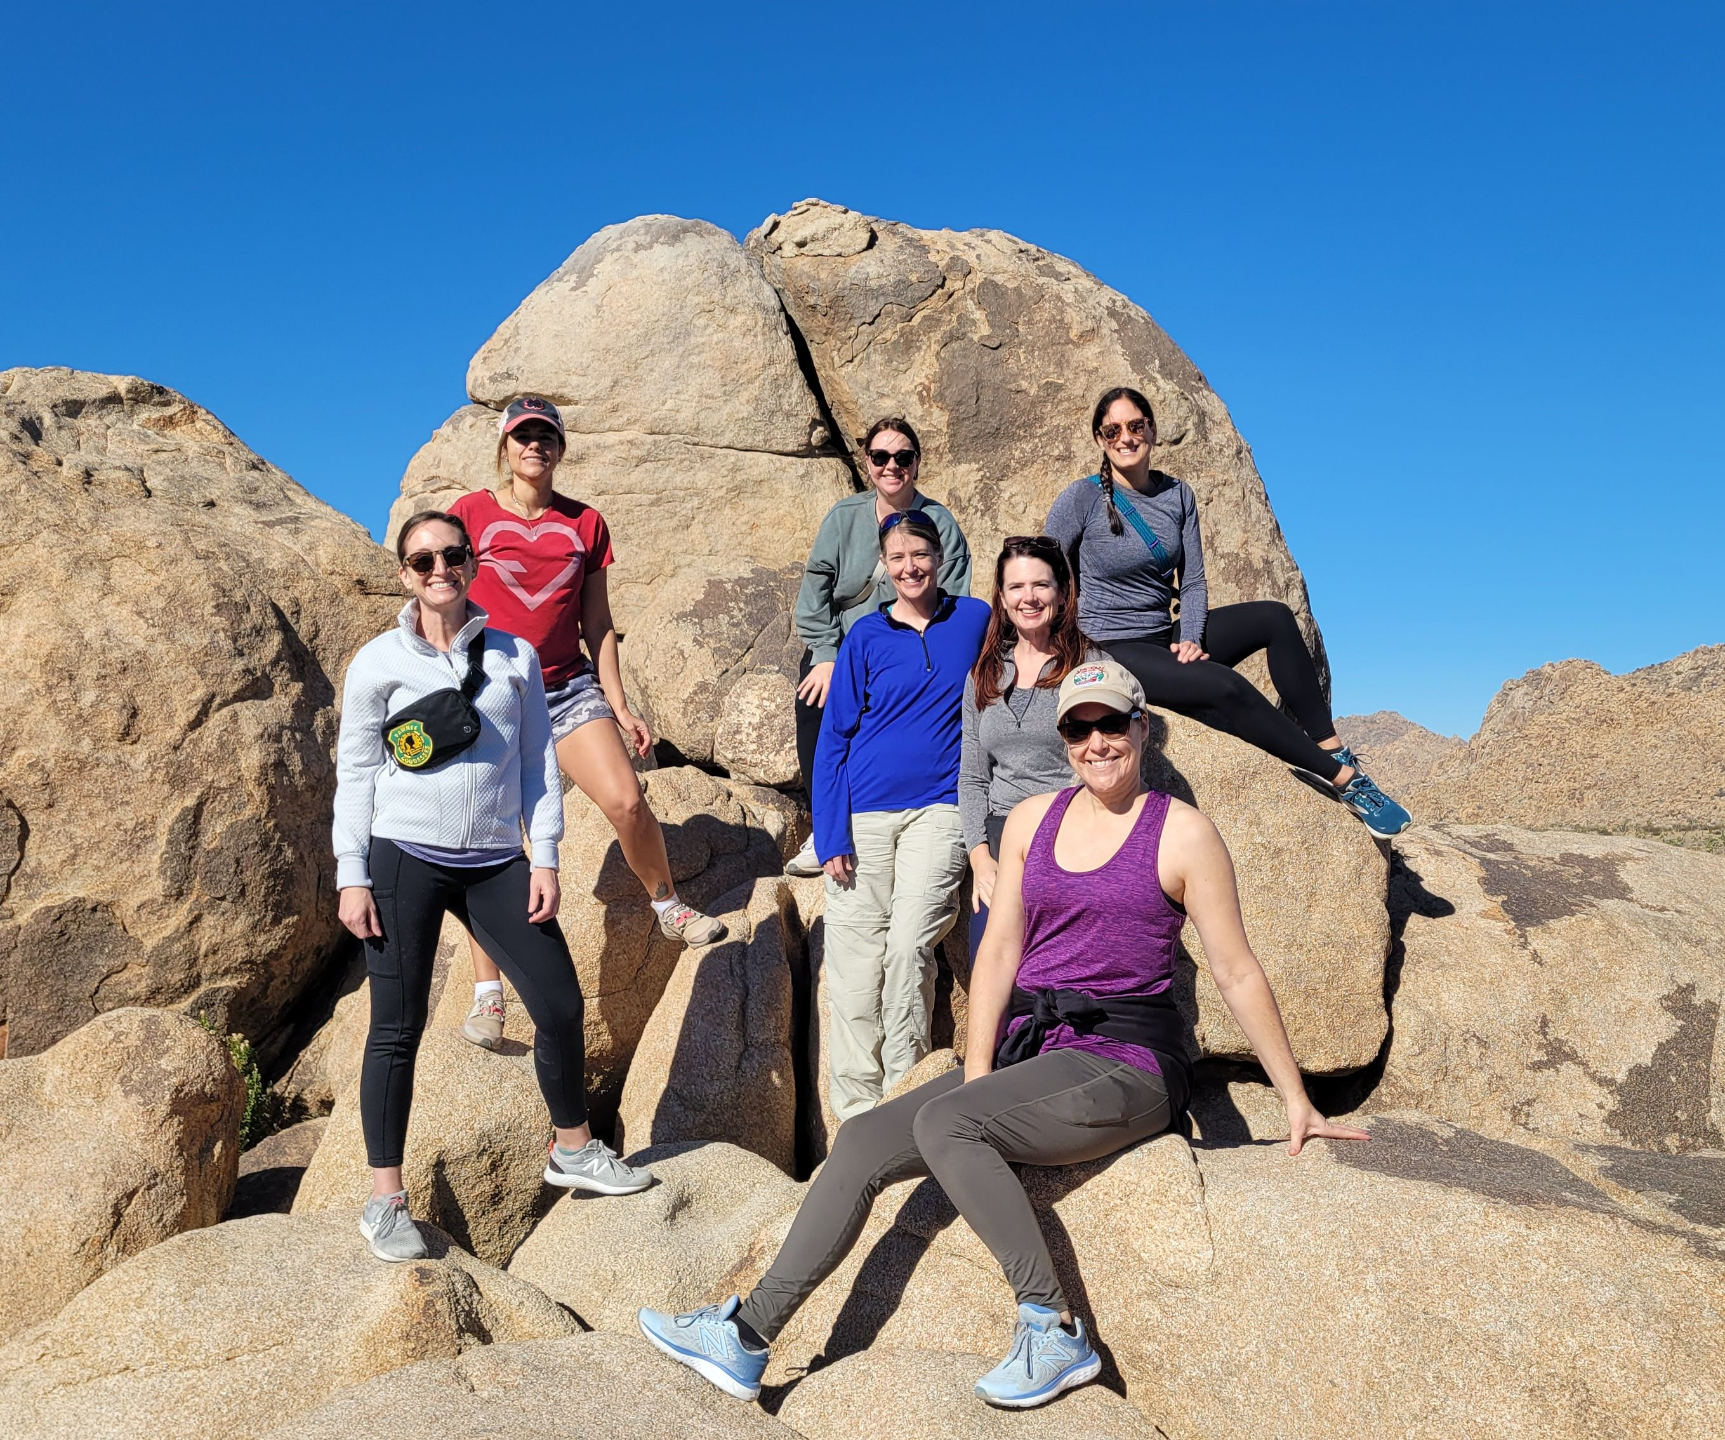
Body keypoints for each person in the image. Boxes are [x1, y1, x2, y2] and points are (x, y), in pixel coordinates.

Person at [637, 658, 1369, 1409]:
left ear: (1141, 728)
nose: (1096, 742)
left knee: (949, 1124)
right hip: (1035, 1048)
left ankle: (1052, 1328)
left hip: (1130, 1061)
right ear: (1063, 739)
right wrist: (979, 1066)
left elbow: (1235, 970)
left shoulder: (1182, 833)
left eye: (1111, 724)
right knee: (862, 1140)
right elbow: (998, 951)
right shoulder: (1032, 820)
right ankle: (747, 1336)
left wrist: (1295, 1098)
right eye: (1078, 729)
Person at [332, 509, 652, 1263]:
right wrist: (352, 874)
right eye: (423, 561)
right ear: (404, 575)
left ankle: (572, 1148)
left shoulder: (513, 655)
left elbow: (538, 759)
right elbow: (356, 772)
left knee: (560, 1002)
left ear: (472, 563)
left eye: (452, 555)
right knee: (397, 1027)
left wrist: (545, 856)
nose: (439, 570)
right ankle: (385, 1201)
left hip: (494, 860)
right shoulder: (377, 662)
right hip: (403, 856)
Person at [445, 396, 724, 1050]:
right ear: (505, 446)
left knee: (627, 800)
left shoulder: (585, 523)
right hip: (489, 693)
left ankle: (666, 905)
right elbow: (444, 596)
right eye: (522, 436)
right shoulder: (470, 514)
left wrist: (619, 704)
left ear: (560, 448)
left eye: (545, 436)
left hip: (567, 688)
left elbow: (597, 622)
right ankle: (489, 996)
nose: (534, 446)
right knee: (489, 839)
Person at [1044, 386, 1412, 838]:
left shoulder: (1177, 495)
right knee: (1225, 685)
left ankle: (1331, 747)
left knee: (1274, 617)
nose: (1126, 437)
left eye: (1135, 425)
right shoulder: (1081, 499)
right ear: (1101, 440)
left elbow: (1193, 580)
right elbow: (1046, 570)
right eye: (1113, 430)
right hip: (1111, 645)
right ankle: (1345, 781)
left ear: (1152, 430)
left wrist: (1191, 637)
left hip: (1162, 634)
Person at [811, 509, 990, 1120]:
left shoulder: (974, 619)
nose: (910, 567)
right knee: (854, 963)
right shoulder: (865, 635)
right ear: (883, 567)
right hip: (862, 816)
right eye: (897, 558)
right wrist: (830, 833)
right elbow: (834, 739)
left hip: (938, 811)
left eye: (920, 554)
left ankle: (901, 1098)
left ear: (939, 559)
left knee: (910, 947)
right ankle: (855, 1110)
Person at [785, 416, 972, 878]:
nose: (892, 466)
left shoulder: (940, 523)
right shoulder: (844, 518)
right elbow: (815, 594)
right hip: (846, 647)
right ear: (866, 462)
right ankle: (825, 825)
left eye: (903, 457)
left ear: (917, 463)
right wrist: (826, 654)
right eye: (881, 456)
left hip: (910, 646)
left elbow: (952, 598)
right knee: (814, 704)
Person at [959, 535, 1094, 962]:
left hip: (1068, 832)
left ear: (1062, 593)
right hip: (1001, 839)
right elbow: (973, 777)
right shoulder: (984, 673)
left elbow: (1106, 761)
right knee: (991, 964)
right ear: (1001, 598)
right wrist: (981, 859)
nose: (1028, 597)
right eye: (1016, 586)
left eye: (1041, 585)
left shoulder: (1089, 667)